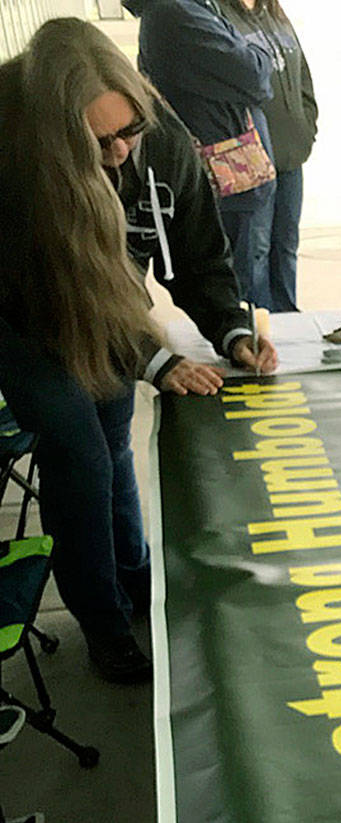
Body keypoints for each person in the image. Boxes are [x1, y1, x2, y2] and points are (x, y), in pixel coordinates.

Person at [0, 19, 277, 683]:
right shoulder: (19, 156)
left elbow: (201, 252)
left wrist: (232, 330)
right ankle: (102, 621)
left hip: (106, 298)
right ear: (60, 137)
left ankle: (135, 575)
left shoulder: (161, 135)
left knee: (116, 433)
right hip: (19, 307)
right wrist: (155, 359)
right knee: (80, 451)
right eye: (101, 142)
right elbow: (64, 295)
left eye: (130, 132)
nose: (122, 150)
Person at [124, 0, 277, 309]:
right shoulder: (176, 12)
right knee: (240, 295)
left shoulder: (183, 9)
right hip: (226, 184)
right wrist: (256, 51)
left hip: (230, 180)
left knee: (247, 284)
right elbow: (255, 75)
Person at [215, 0, 318, 313]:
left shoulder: (275, 14)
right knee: (253, 252)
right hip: (251, 162)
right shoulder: (217, 14)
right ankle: (257, 327)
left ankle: (288, 317)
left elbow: (303, 78)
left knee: (285, 247)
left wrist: (306, 125)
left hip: (290, 157)